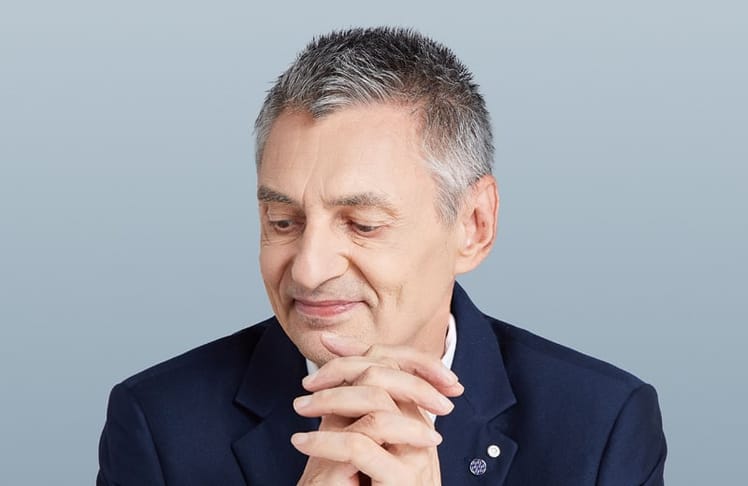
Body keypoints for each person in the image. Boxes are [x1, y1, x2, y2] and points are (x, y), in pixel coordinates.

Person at [97, 27, 666, 485]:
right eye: (283, 222)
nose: (309, 269)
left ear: (474, 225)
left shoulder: (601, 426)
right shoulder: (157, 424)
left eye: (363, 224)